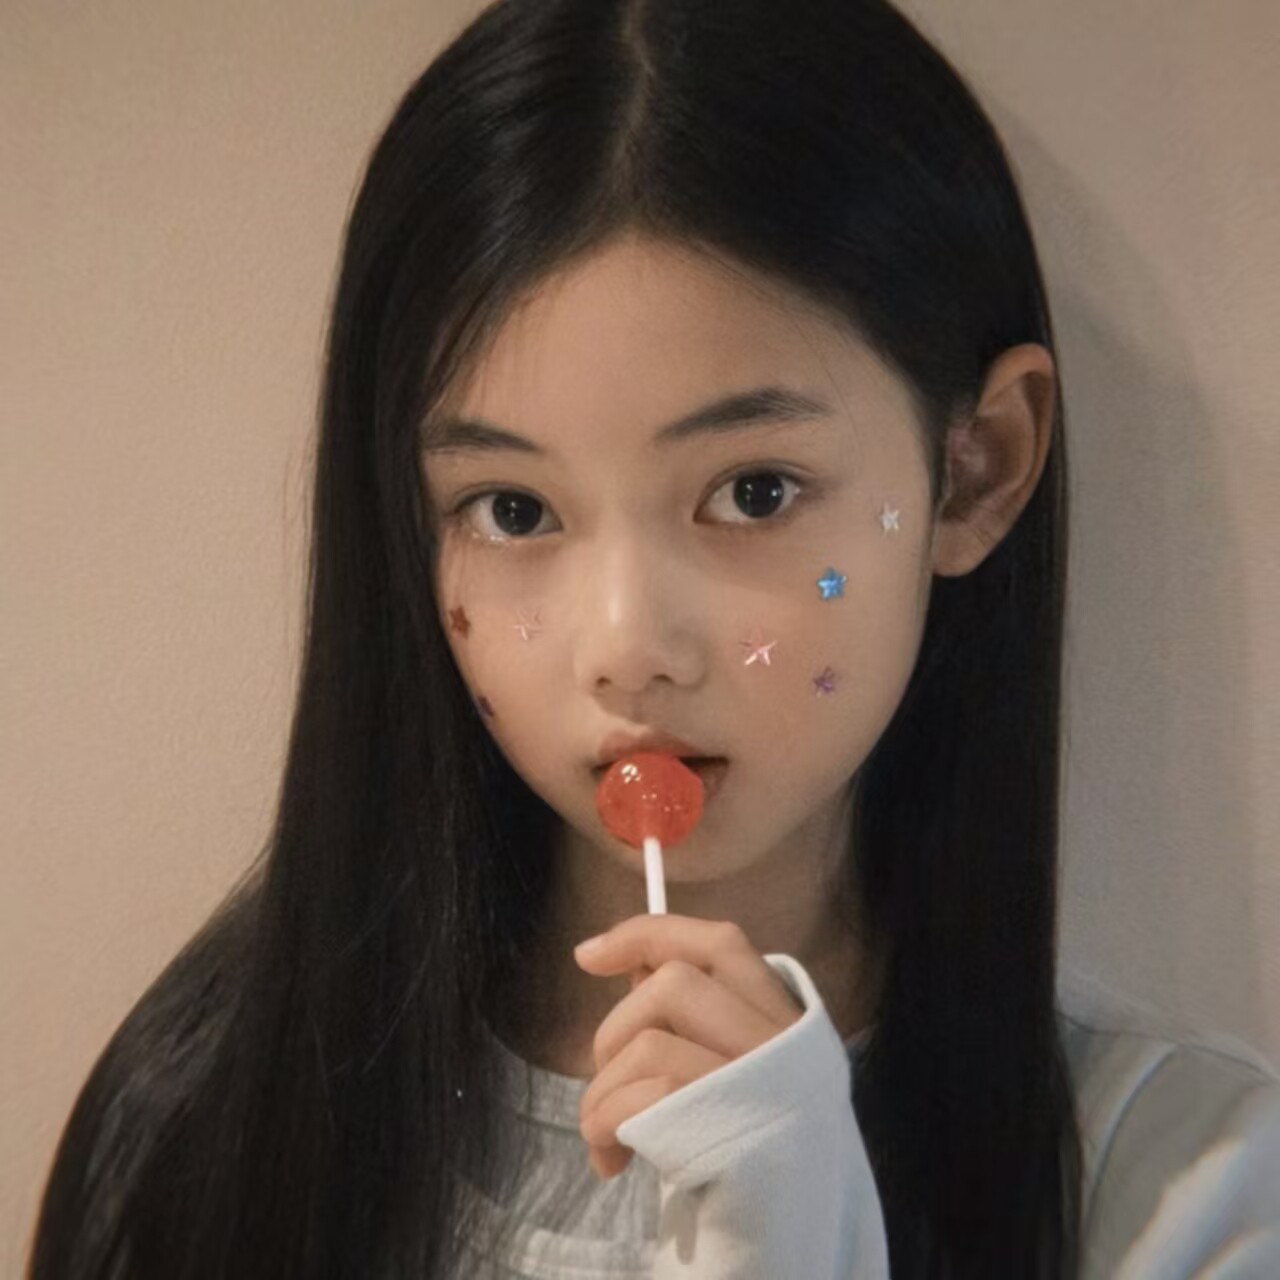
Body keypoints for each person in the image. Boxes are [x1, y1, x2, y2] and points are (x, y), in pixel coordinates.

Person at [26, 0, 1280, 1276]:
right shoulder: (207, 1130)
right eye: (512, 509)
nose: (626, 649)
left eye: (753, 491)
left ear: (975, 467)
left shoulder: (1185, 1187)